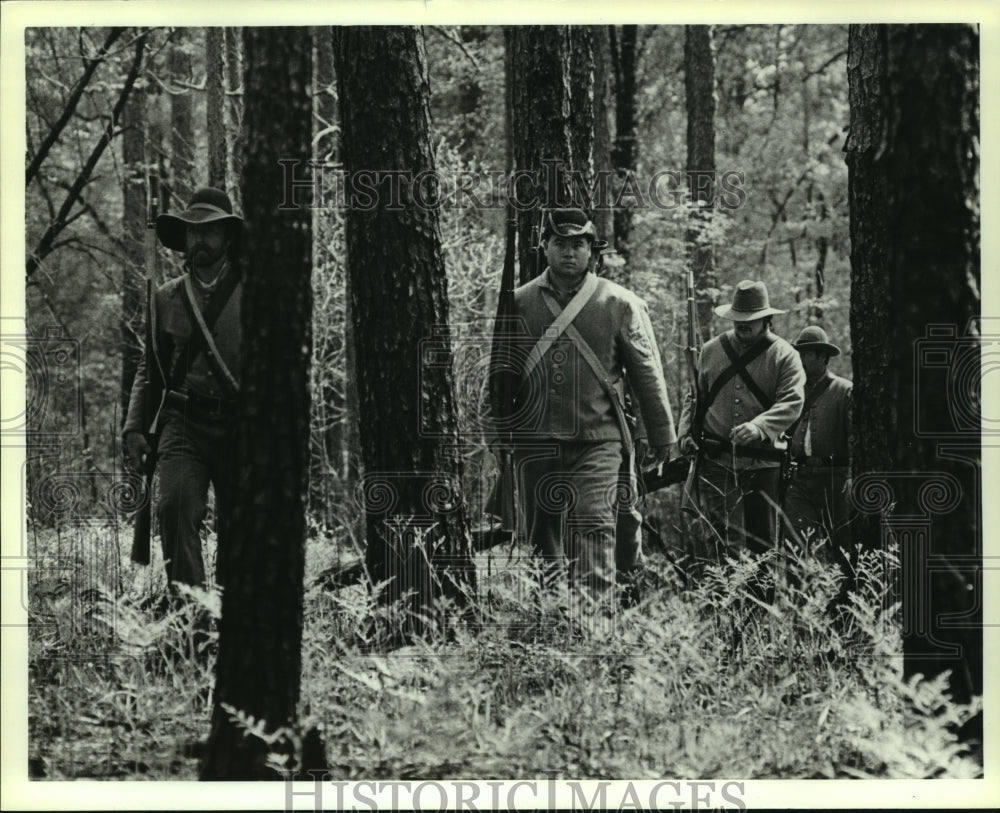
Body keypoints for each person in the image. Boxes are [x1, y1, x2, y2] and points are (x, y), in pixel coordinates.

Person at [500, 208, 676, 613]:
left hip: (598, 437)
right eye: (560, 243)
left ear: (592, 251)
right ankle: (550, 614)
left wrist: (662, 438)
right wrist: (497, 432)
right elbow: (501, 371)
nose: (568, 252)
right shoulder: (519, 303)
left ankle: (592, 619)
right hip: (535, 439)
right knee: (543, 534)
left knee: (594, 522)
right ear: (544, 247)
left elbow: (647, 374)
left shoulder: (620, 303)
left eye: (578, 244)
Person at [123, 187, 244, 591]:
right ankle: (193, 624)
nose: (199, 240)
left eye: (209, 231)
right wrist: (135, 427)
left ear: (227, 237)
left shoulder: (255, 293)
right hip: (183, 423)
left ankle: (232, 619)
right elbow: (149, 365)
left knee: (240, 526)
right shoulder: (166, 297)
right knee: (174, 508)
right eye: (192, 232)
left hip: (239, 426)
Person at [676, 280, 805, 573]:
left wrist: (760, 426)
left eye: (751, 320)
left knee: (763, 547)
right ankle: (725, 612)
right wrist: (684, 435)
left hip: (762, 464)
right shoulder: (711, 350)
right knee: (722, 542)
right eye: (739, 319)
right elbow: (694, 397)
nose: (743, 325)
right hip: (717, 461)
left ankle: (760, 614)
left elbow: (792, 402)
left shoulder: (785, 355)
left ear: (767, 319)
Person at [782, 325, 853, 557]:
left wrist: (850, 478)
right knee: (797, 549)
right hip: (798, 481)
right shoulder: (791, 392)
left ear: (822, 357)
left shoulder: (844, 391)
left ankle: (843, 593)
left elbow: (853, 438)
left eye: (806, 354)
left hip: (833, 481)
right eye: (798, 354)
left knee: (842, 550)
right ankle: (800, 593)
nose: (800, 359)